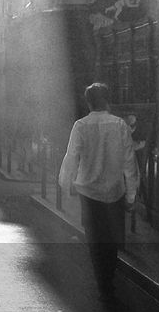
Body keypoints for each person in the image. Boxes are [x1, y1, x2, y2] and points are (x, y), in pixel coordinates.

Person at [59, 82, 140, 300]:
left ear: (88, 102)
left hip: (89, 192)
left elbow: (71, 157)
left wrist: (65, 185)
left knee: (95, 239)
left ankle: (102, 281)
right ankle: (109, 278)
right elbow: (129, 162)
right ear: (107, 99)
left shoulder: (80, 126)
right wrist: (131, 194)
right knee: (112, 239)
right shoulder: (120, 126)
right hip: (115, 192)